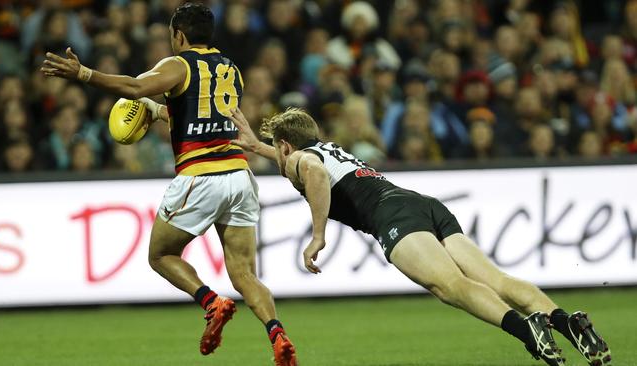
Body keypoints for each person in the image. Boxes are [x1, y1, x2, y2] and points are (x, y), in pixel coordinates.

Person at [228, 107, 613, 366]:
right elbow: (300, 162)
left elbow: (308, 172)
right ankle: (566, 322)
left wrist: (317, 235)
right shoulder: (325, 149)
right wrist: (254, 146)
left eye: (277, 151)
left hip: (390, 215)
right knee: (495, 278)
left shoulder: (301, 159)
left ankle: (526, 330)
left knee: (450, 287)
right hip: (422, 204)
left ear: (285, 146)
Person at [40, 3, 297, 365]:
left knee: (160, 255)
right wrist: (161, 111)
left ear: (178, 34)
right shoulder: (231, 69)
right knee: (243, 273)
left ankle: (211, 302)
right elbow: (199, 116)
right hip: (239, 175)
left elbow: (133, 86)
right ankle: (277, 334)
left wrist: (83, 73)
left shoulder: (179, 64)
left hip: (200, 177)